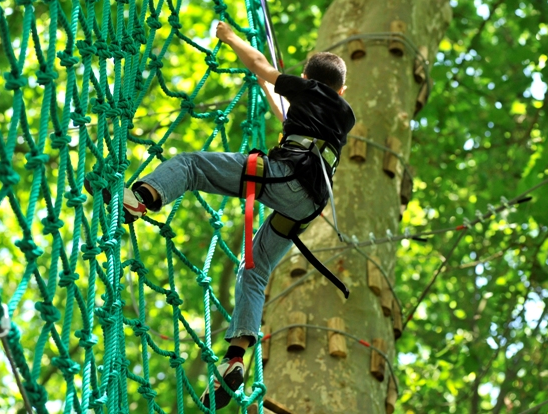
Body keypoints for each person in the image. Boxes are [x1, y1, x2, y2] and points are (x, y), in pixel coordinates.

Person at [95, 22, 355, 410]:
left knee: (190, 166)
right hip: (307, 207)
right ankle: (236, 358)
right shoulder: (342, 115)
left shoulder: (309, 89)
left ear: (307, 79)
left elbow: (260, 66)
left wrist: (232, 38)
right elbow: (294, 112)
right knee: (254, 267)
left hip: (284, 176)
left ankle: (141, 198)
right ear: (343, 91)